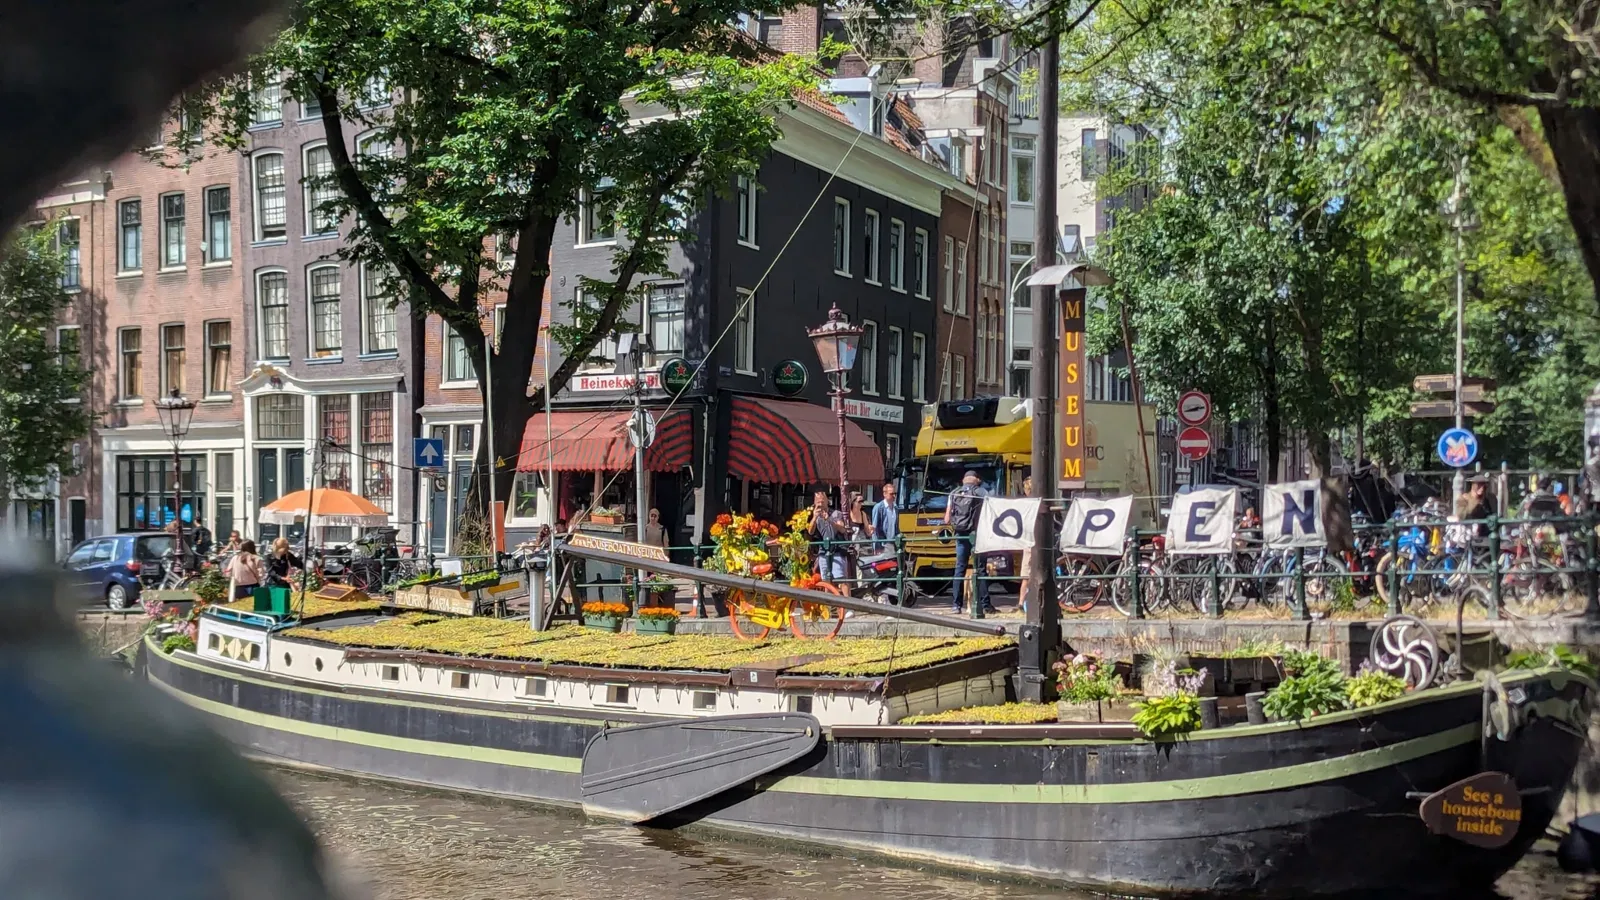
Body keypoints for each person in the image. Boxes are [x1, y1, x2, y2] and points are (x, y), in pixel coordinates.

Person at [944, 470, 995, 615]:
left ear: (963, 480)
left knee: (959, 568)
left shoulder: (954, 493)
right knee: (981, 569)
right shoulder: (982, 492)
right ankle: (985, 605)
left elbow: (946, 519)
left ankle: (956, 605)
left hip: (960, 535)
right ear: (977, 480)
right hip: (977, 534)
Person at [808, 488, 851, 584]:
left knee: (842, 580)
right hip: (823, 552)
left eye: (822, 502)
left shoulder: (836, 513)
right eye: (818, 502)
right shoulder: (814, 516)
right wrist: (814, 517)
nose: (821, 504)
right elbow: (810, 532)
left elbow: (842, 529)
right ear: (815, 503)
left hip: (837, 550)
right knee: (826, 581)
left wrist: (829, 520)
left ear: (827, 501)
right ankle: (828, 594)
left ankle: (845, 594)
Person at [870, 483, 899, 554]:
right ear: (884, 494)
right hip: (882, 544)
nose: (894, 496)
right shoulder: (879, 507)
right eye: (891, 494)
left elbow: (896, 527)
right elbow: (875, 529)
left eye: (895, 494)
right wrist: (877, 546)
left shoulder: (896, 508)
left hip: (892, 544)